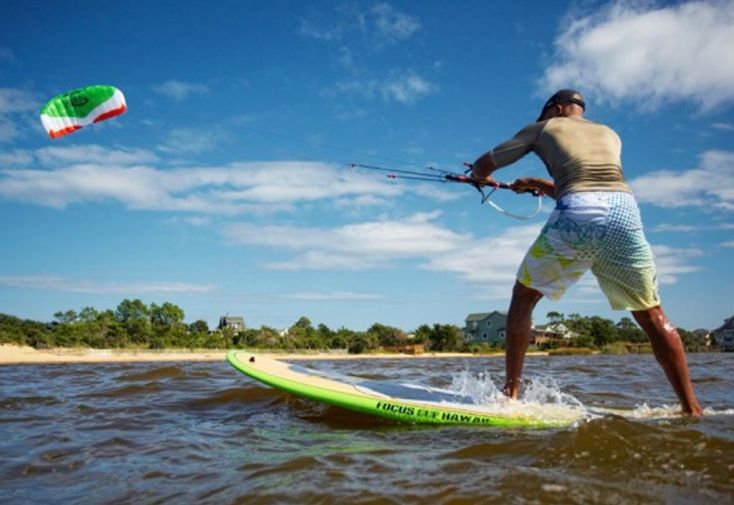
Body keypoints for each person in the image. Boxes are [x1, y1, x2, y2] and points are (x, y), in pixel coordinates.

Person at [470, 89, 703, 416]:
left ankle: (509, 395)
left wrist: (479, 178)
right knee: (652, 314)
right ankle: (692, 408)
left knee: (524, 297)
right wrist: (537, 182)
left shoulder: (543, 128)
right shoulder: (611, 135)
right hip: (625, 210)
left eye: (546, 112)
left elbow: (485, 163)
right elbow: (593, 187)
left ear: (559, 108)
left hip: (579, 210)